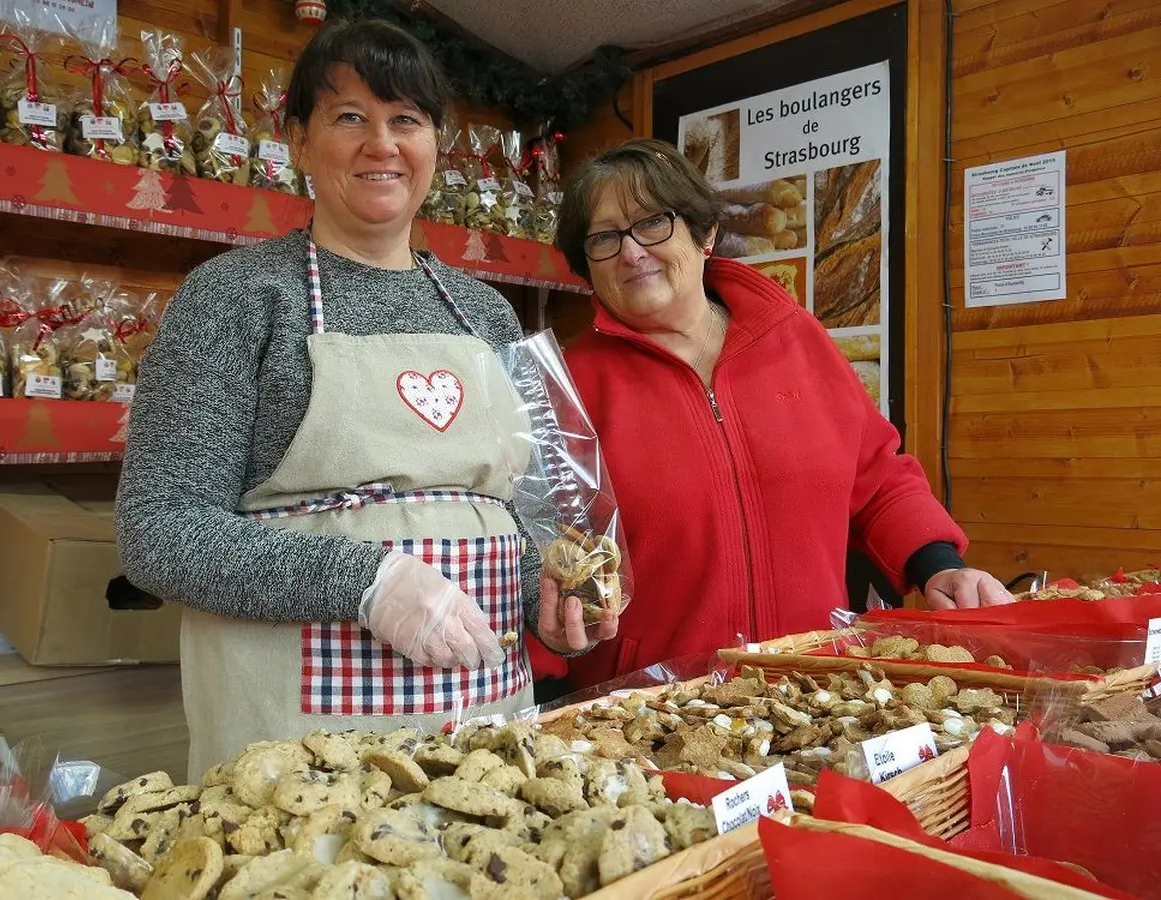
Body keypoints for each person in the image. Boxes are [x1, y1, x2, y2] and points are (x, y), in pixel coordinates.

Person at [115, 17, 614, 778]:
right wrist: (368, 582)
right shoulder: (236, 298)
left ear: (435, 146)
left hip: (480, 735)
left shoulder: (486, 314)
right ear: (298, 141)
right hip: (295, 754)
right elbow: (159, 532)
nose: (381, 144)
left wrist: (548, 597)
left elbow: (514, 520)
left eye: (405, 120)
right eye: (349, 116)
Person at [534, 137, 1011, 691]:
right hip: (656, 713)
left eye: (653, 223)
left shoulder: (795, 339)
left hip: (817, 690)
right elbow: (551, 552)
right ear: (585, 264)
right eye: (604, 237)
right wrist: (551, 626)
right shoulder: (564, 384)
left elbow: (876, 477)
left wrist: (938, 566)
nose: (632, 251)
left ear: (705, 232)